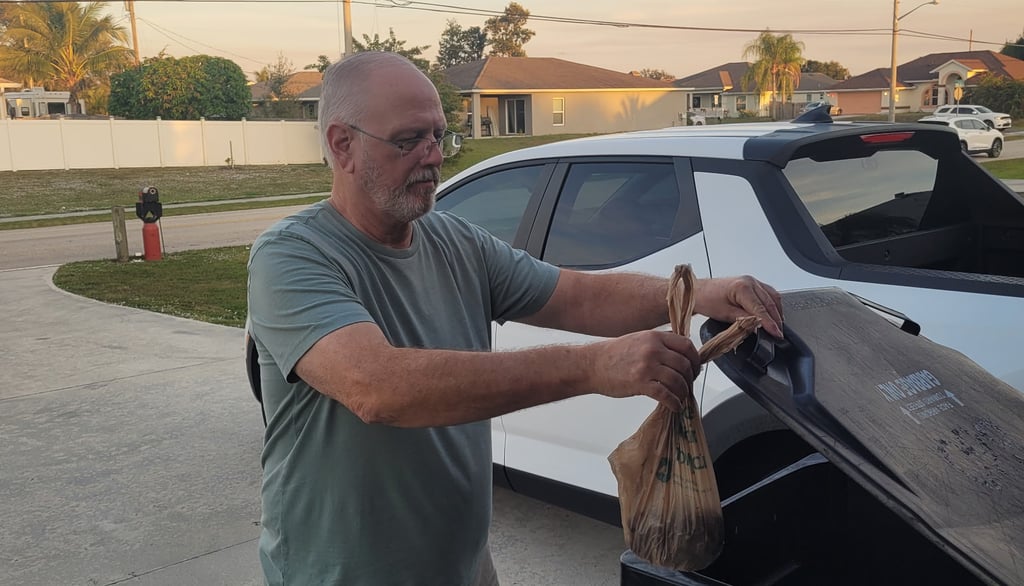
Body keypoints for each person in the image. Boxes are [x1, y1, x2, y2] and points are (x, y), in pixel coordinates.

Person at [246, 51, 784, 586]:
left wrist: (699, 293)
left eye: (439, 135)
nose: (433, 156)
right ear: (343, 144)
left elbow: (576, 296)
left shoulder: (455, 241)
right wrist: (594, 367)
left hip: (462, 567)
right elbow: (379, 388)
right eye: (409, 140)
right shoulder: (293, 257)